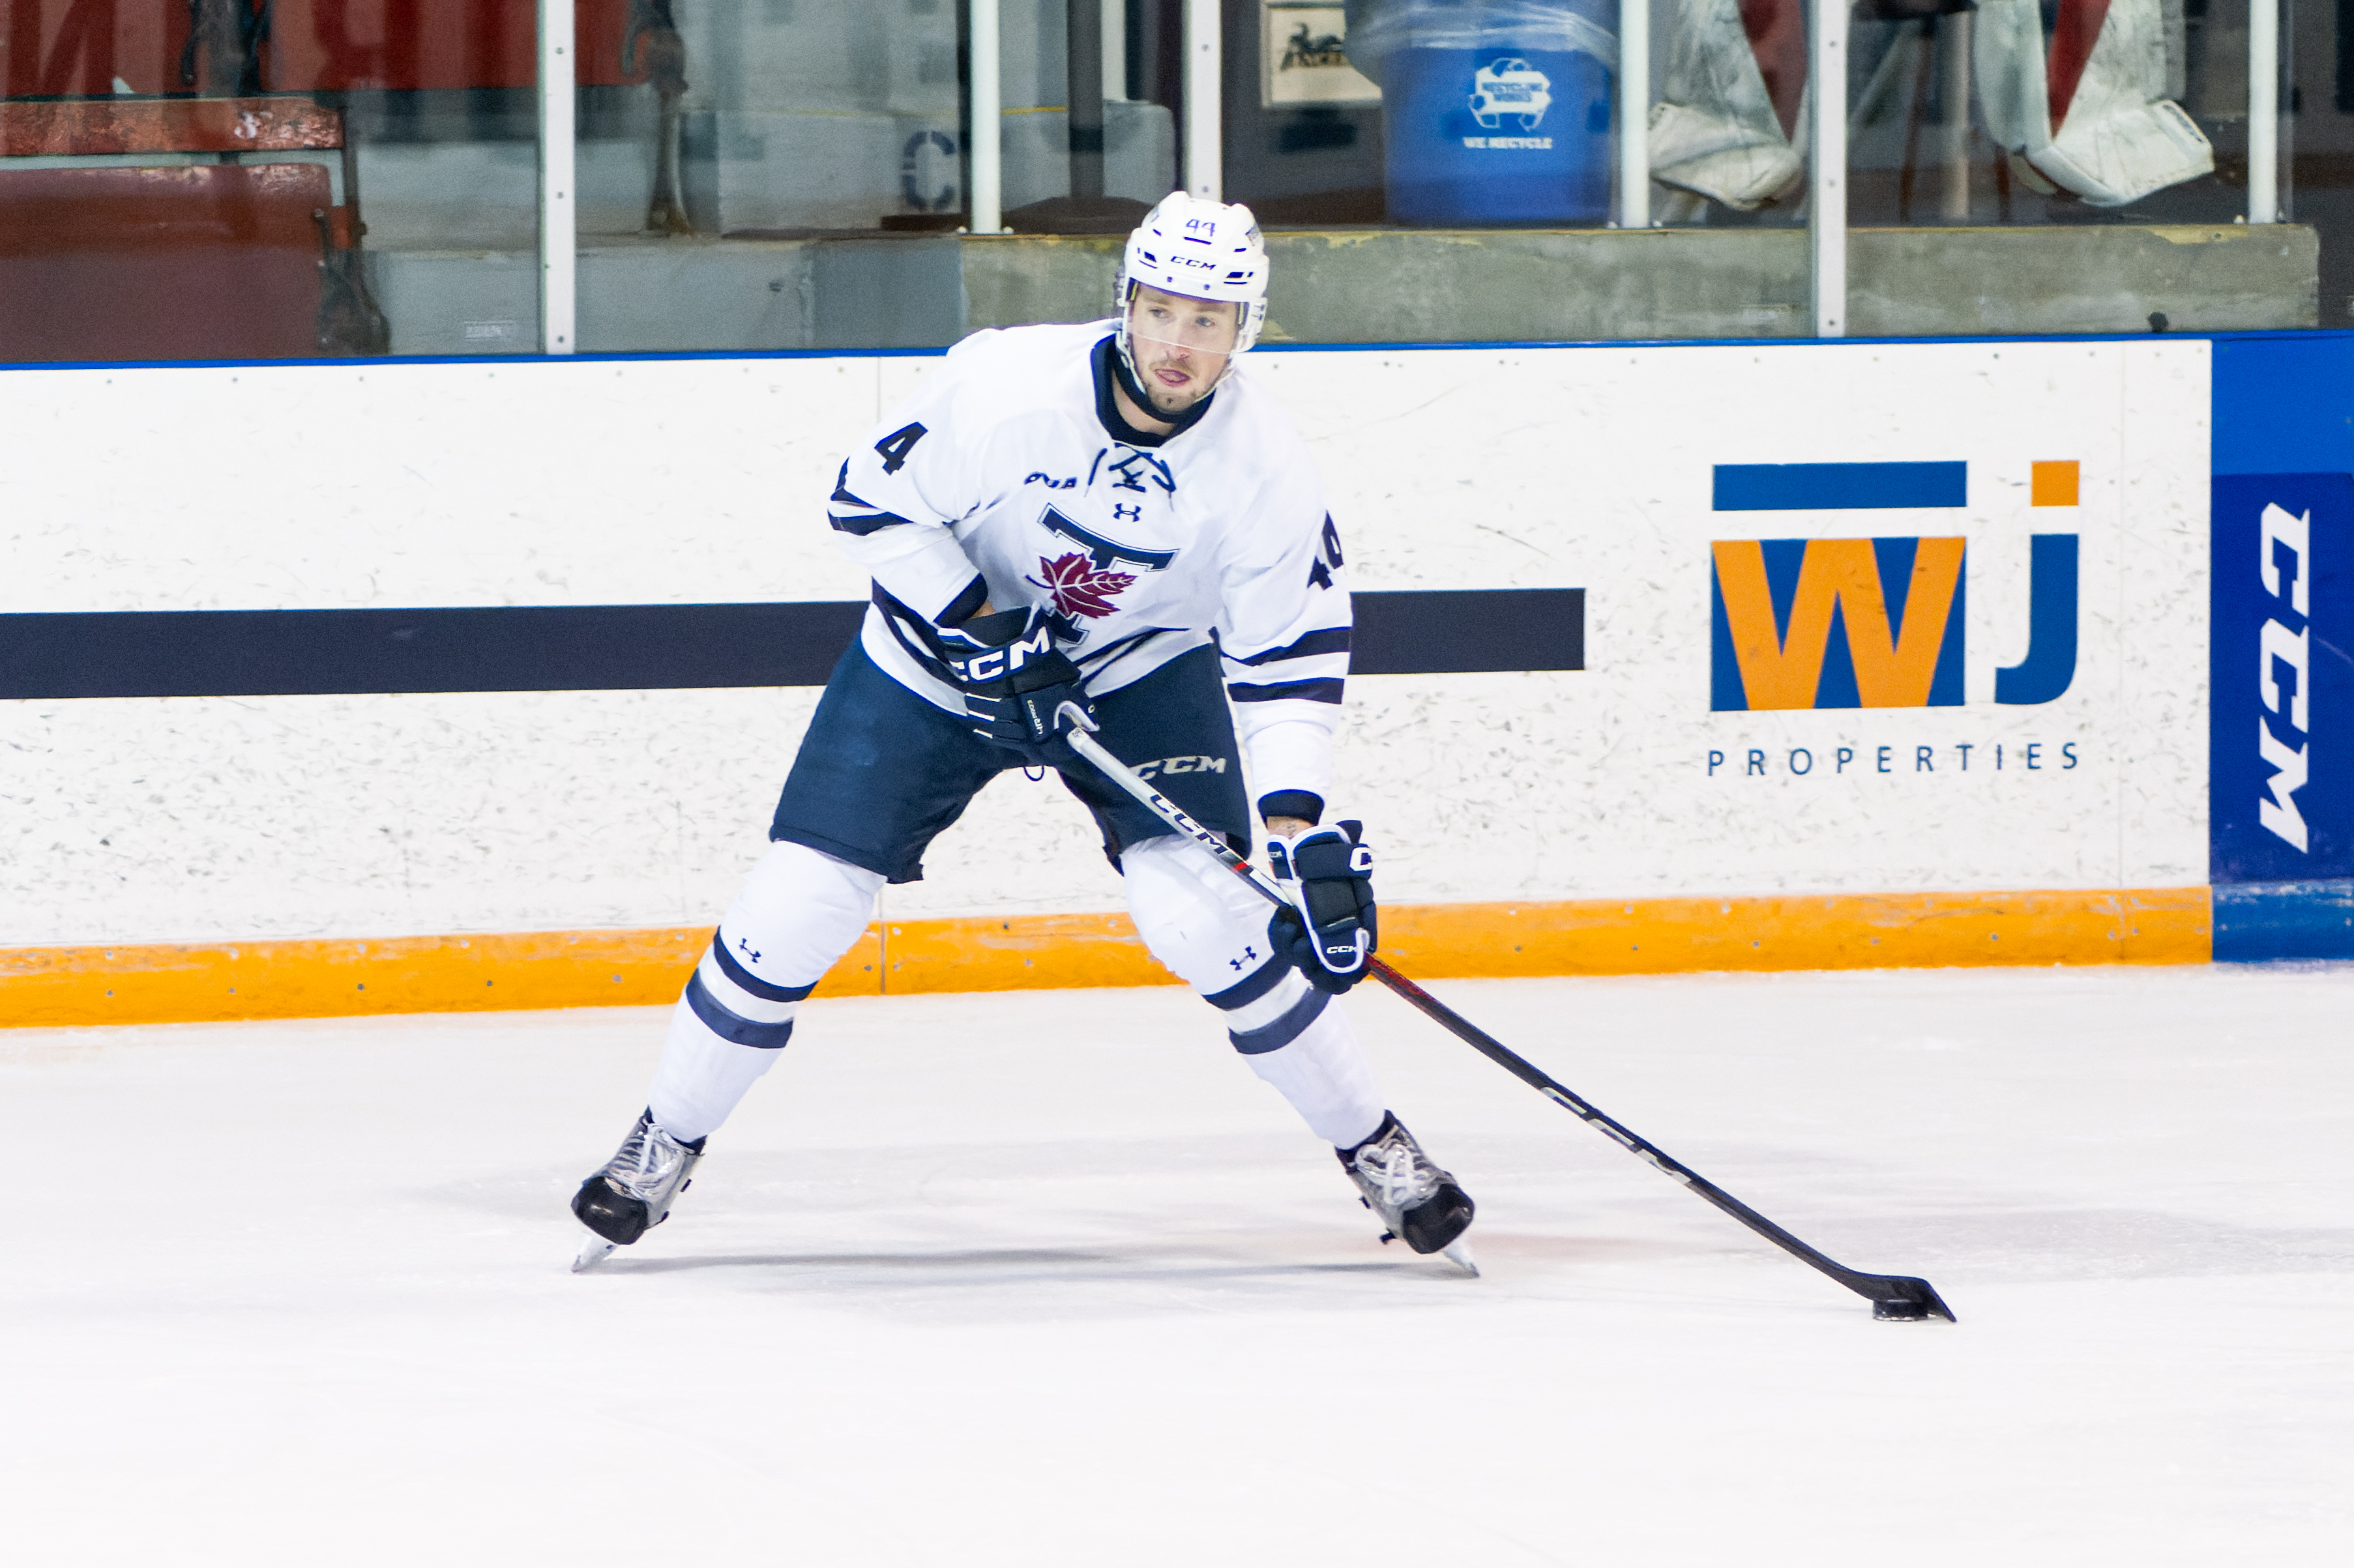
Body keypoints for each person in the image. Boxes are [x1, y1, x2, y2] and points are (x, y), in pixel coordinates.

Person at [570, 192, 1477, 1274]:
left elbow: (1285, 662)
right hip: (930, 664)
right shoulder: (1004, 384)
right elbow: (868, 503)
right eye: (1163, 309)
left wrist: (1295, 833)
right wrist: (985, 630)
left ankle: (1375, 1144)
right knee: (796, 908)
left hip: (1139, 674)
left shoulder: (1268, 469)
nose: (1180, 343)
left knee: (1215, 922)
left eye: (1211, 320)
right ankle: (664, 1135)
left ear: (1249, 330)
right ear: (1125, 301)